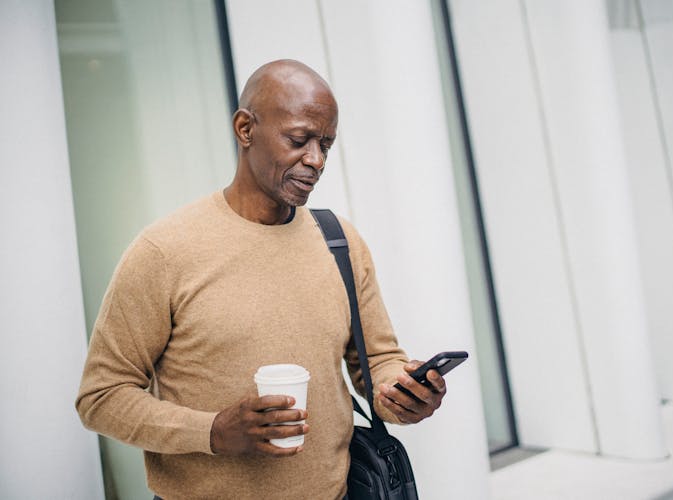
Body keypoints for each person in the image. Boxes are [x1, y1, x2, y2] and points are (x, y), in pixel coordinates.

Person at [76, 59, 447, 499]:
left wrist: (401, 393)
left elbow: (377, 359)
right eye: (298, 140)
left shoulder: (340, 242)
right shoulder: (164, 251)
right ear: (245, 129)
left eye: (326, 144)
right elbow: (102, 397)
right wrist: (213, 431)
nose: (315, 160)